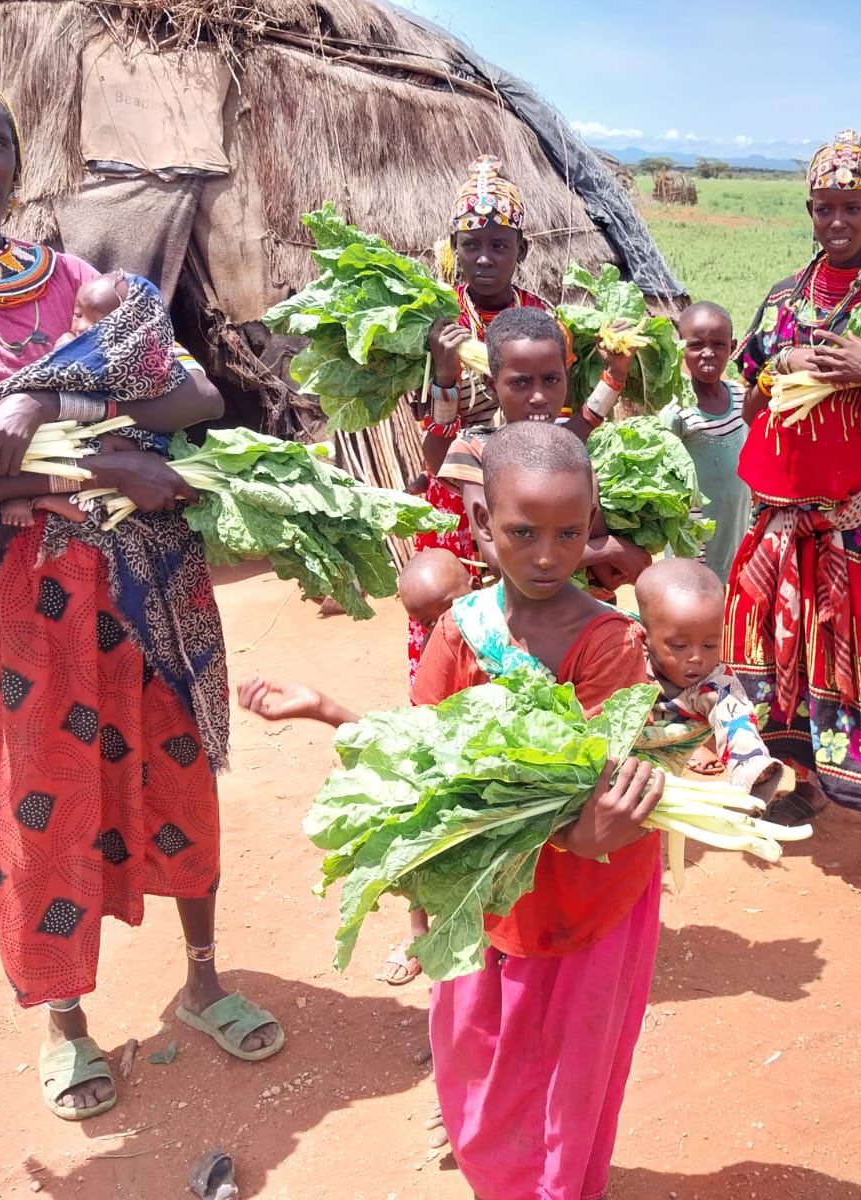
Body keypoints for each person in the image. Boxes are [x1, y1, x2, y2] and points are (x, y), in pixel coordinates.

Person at [0, 50, 281, 1121]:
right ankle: (68, 1023)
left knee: (178, 778)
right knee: (41, 812)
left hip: (146, 572)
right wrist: (106, 457)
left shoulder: (74, 281)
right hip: (20, 604)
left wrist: (44, 404)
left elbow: (190, 396)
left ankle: (204, 979)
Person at [416, 420, 667, 1198]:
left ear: (592, 525)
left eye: (570, 532)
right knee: (480, 1059)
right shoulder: (459, 633)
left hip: (593, 902)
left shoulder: (612, 642)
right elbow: (423, 765)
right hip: (491, 896)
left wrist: (590, 830)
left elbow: (605, 795)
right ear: (484, 527)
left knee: (574, 1066)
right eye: (523, 532)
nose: (549, 555)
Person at [725, 129, 861, 927]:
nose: (837, 220)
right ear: (810, 211)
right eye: (824, 208)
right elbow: (745, 400)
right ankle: (806, 786)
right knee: (786, 658)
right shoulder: (782, 301)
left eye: (852, 206)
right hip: (784, 520)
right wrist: (778, 372)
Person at [242, 548, 474, 986]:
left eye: (449, 611)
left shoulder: (505, 648)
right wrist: (321, 707)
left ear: (474, 588)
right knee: (403, 810)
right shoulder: (430, 661)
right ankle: (418, 931)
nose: (439, 629)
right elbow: (406, 747)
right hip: (449, 777)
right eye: (424, 623)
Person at [409, 155, 553, 684]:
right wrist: (445, 375)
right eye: (472, 245)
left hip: (530, 486)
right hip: (454, 487)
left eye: (500, 245)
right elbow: (434, 449)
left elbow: (556, 415)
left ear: (523, 250)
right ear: (455, 250)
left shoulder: (543, 318)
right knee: (455, 621)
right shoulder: (433, 319)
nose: (486, 258)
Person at [437, 305, 650, 593]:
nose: (538, 397)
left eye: (551, 380)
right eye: (520, 382)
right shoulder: (475, 451)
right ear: (491, 384)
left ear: (566, 376)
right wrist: (609, 550)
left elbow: (606, 576)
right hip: (515, 625)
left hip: (589, 614)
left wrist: (615, 372)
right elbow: (500, 560)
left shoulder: (573, 449)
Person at [632, 556, 784, 799]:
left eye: (710, 644)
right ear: (644, 637)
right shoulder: (627, 659)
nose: (697, 658)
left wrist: (751, 763)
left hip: (666, 760)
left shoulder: (715, 683)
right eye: (680, 646)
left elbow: (736, 717)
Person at [0, 269, 131, 527]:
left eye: (98, 320)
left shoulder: (128, 353)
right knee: (28, 444)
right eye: (78, 315)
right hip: (58, 425)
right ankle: (18, 496)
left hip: (102, 428)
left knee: (126, 457)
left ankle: (75, 506)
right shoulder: (66, 343)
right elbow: (44, 380)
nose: (82, 326)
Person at [663, 301, 749, 583]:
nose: (708, 353)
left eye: (718, 344)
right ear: (681, 346)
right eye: (697, 345)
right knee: (697, 606)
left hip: (737, 529)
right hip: (694, 544)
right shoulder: (676, 412)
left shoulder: (741, 398)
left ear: (733, 346)